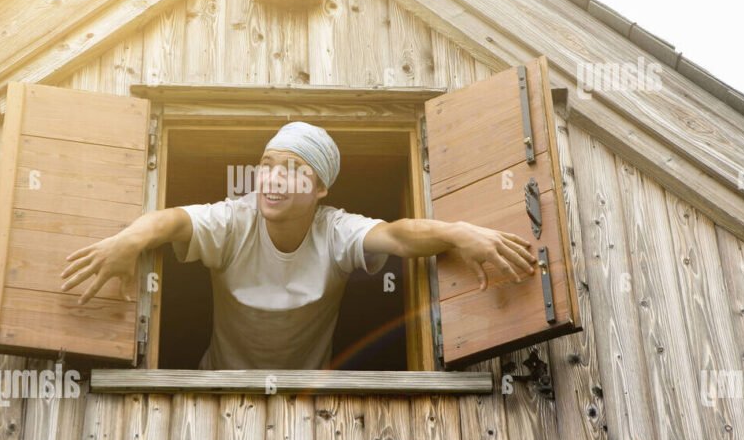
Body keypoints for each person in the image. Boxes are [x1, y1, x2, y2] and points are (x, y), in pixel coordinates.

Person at [60, 121, 536, 370]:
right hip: (214, 385)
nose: (274, 178)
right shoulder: (234, 219)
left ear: (320, 188)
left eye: (294, 170)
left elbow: (398, 234)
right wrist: (127, 240)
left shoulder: (334, 230)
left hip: (309, 393)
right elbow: (170, 219)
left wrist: (460, 233)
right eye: (268, 164)